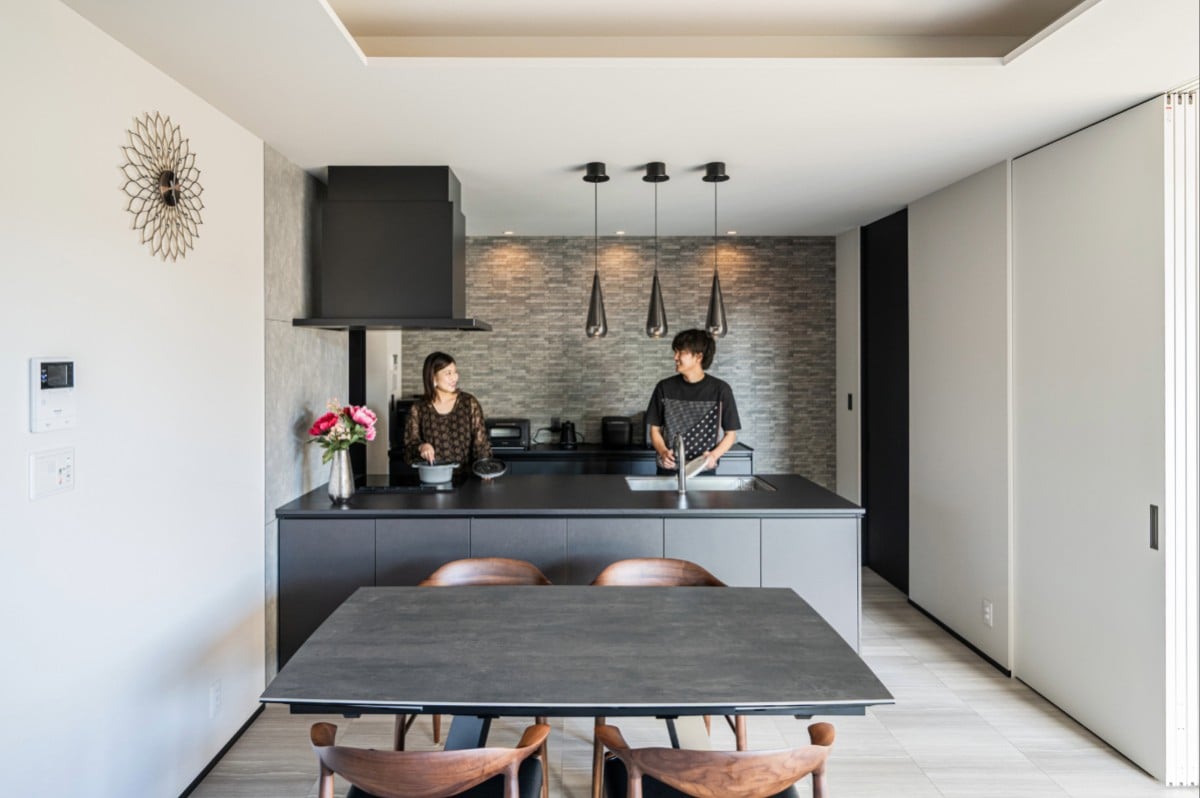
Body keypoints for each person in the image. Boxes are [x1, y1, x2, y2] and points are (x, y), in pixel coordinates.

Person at [645, 329, 741, 474]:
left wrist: (713, 455)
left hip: (703, 472)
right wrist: (663, 452)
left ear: (698, 356)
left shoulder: (721, 390)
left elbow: (731, 434)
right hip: (668, 471)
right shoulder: (664, 387)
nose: (675, 357)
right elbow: (654, 430)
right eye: (675, 352)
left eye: (680, 352)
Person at [404, 352, 492, 475]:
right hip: (433, 479)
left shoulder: (469, 403)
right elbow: (409, 448)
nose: (454, 377)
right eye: (448, 373)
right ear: (433, 377)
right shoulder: (418, 408)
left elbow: (481, 444)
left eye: (455, 372)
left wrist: (485, 469)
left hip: (467, 479)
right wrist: (422, 447)